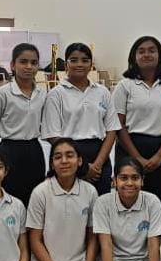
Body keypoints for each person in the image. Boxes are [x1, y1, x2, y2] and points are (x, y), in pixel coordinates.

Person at [27, 138, 102, 261]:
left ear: (80, 160)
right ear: (52, 163)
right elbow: (34, 241)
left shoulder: (90, 192)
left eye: (70, 155)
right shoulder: (40, 193)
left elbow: (92, 238)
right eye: (58, 157)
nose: (64, 161)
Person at [114, 36, 161, 207]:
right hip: (129, 147)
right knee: (128, 200)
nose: (147, 54)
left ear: (159, 56)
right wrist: (136, 157)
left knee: (156, 201)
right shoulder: (125, 86)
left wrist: (160, 155)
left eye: (152, 51)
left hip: (160, 149)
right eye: (141, 51)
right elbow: (118, 124)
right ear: (134, 56)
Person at [42, 43, 119, 195]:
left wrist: (97, 165)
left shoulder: (102, 92)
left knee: (99, 204)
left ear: (91, 64)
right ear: (66, 65)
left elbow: (112, 130)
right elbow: (52, 134)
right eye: (74, 60)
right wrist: (80, 165)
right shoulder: (56, 94)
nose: (79, 64)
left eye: (85, 60)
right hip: (67, 156)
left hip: (99, 155)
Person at [0, 43, 47, 206]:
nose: (29, 67)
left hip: (34, 150)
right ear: (13, 65)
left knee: (34, 198)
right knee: (10, 198)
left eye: (33, 63)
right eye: (23, 62)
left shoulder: (42, 94)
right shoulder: (2, 94)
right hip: (9, 151)